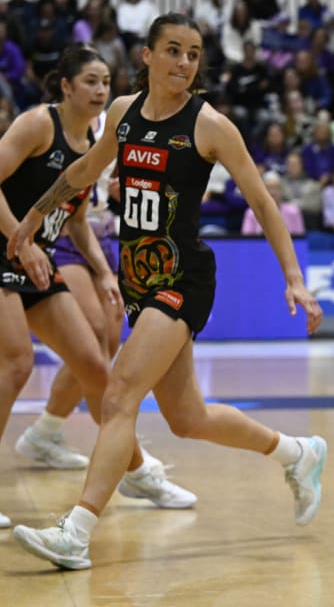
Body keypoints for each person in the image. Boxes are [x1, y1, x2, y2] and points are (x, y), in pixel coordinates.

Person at [6, 14, 326, 570]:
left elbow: (262, 202)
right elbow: (83, 171)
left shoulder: (211, 125)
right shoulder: (125, 114)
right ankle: (297, 452)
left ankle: (76, 531)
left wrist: (294, 277)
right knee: (187, 417)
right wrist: (32, 217)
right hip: (138, 278)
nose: (184, 62)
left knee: (118, 392)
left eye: (194, 53)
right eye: (173, 50)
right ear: (147, 56)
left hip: (183, 278)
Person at [1, 45, 196, 527]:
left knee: (93, 364)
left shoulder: (95, 141)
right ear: (65, 86)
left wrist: (105, 273)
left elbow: (77, 219)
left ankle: (136, 472)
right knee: (16, 362)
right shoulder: (36, 125)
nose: (101, 91)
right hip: (8, 250)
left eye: (106, 82)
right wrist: (21, 241)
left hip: (36, 260)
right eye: (90, 81)